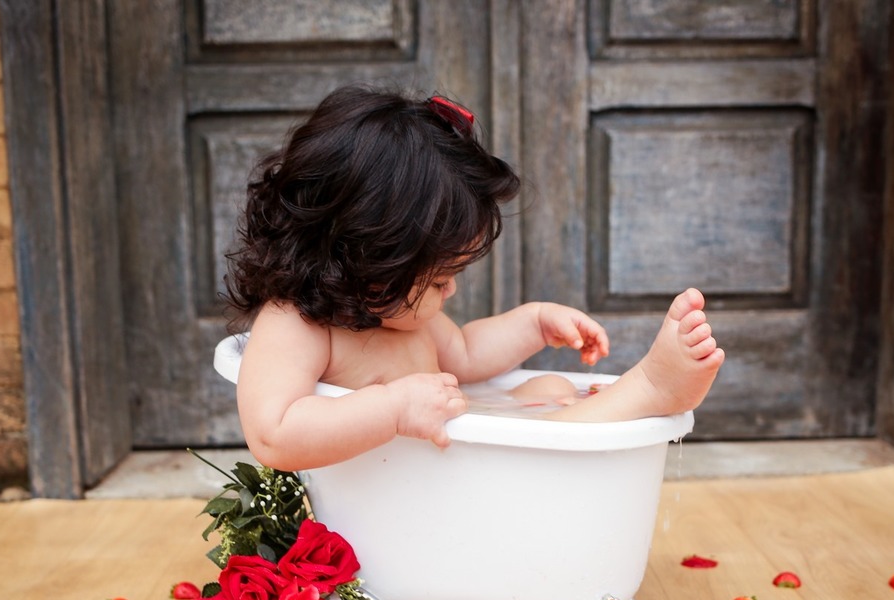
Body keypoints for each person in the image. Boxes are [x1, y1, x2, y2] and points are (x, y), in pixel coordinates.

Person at [225, 85, 724, 472]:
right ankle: (650, 389)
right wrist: (393, 409)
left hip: (459, 469)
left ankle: (628, 402)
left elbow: (465, 354)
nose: (452, 291)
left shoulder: (405, 318)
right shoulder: (297, 326)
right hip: (421, 486)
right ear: (369, 260)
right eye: (441, 278)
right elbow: (273, 432)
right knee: (555, 426)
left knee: (546, 385)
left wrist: (531, 323)